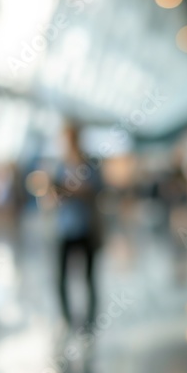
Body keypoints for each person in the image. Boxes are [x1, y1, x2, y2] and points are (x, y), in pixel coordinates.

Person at [53, 123, 103, 330]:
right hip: (65, 228)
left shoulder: (89, 166)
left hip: (86, 227)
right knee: (62, 277)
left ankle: (90, 320)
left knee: (89, 277)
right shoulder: (60, 167)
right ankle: (67, 318)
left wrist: (73, 191)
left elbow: (93, 191)